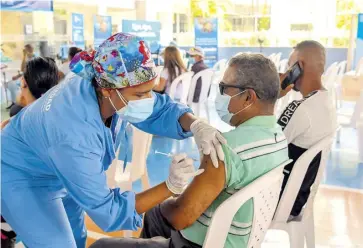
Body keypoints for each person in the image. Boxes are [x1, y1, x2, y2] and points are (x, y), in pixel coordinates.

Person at [1, 33, 226, 248]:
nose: (148, 100)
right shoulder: (75, 135)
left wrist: (196, 124)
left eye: (150, 91)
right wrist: (171, 186)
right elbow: (108, 211)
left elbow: (159, 107)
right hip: (19, 174)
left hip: (53, 164)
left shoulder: (103, 81)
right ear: (108, 91)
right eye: (139, 95)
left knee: (77, 238)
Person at [91, 53, 290, 248]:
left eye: (224, 88)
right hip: (239, 239)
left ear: (248, 97)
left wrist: (171, 192)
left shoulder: (223, 148)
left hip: (202, 242)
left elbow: (181, 216)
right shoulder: (278, 138)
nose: (219, 95)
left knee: (101, 245)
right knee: (156, 214)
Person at [1, 57, 59, 247]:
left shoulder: (15, 125)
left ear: (23, 83)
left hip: (15, 209)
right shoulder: (55, 120)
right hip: (45, 208)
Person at [277, 40, 337, 218]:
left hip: (278, 200)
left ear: (299, 66)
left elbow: (265, 147)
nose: (287, 72)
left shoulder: (300, 108)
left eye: (290, 67)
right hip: (299, 198)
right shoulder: (327, 101)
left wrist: (272, 96)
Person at [6, 44, 36, 110]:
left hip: (32, 79)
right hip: (25, 78)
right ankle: (14, 102)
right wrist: (24, 56)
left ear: (31, 49)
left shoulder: (35, 58)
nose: (25, 51)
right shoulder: (26, 58)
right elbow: (23, 69)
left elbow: (25, 70)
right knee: (11, 85)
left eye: (26, 49)